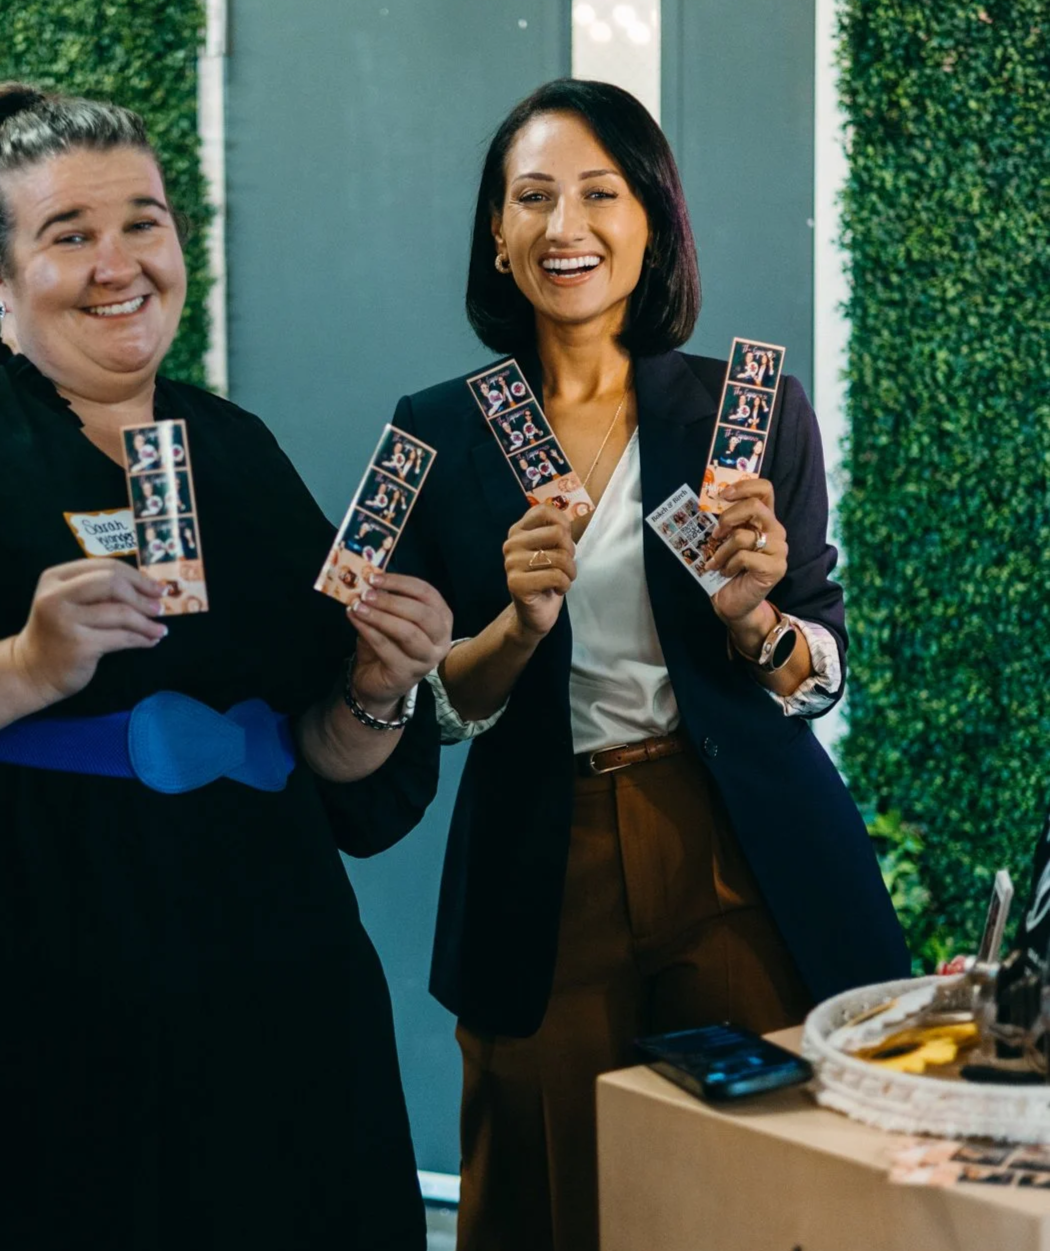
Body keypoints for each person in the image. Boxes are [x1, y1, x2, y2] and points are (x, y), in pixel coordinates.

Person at [0, 83, 453, 1251]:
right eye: (70, 235)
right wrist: (23, 663)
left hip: (277, 1020)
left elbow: (326, 758)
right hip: (14, 1035)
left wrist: (381, 685)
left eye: (143, 223)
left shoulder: (236, 453)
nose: (119, 264)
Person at [390, 79, 909, 1251]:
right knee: (547, 1183)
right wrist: (516, 628)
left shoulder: (747, 408)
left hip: (733, 838)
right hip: (540, 850)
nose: (565, 226)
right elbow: (429, 704)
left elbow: (816, 667)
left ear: (654, 220)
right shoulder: (437, 431)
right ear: (496, 232)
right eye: (533, 198)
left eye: (599, 193)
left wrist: (757, 622)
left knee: (762, 1178)